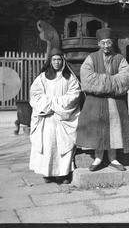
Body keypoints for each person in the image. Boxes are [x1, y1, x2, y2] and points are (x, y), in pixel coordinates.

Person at [76, 27, 129, 171]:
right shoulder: (91, 58)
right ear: (98, 44)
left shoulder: (120, 59)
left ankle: (113, 158)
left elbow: (124, 79)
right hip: (96, 102)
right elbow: (87, 78)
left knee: (114, 129)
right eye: (102, 43)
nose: (106, 46)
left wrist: (102, 81)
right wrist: (110, 81)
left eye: (108, 42)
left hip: (115, 102)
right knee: (98, 128)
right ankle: (98, 158)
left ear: (112, 43)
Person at [29, 48, 81, 184]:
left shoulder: (70, 77)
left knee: (64, 146)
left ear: (63, 60)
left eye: (59, 59)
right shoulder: (42, 77)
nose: (57, 62)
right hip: (47, 117)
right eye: (54, 60)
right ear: (50, 61)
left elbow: (74, 95)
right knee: (49, 144)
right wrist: (50, 105)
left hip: (63, 117)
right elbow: (35, 94)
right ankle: (49, 174)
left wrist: (55, 105)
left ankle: (64, 174)